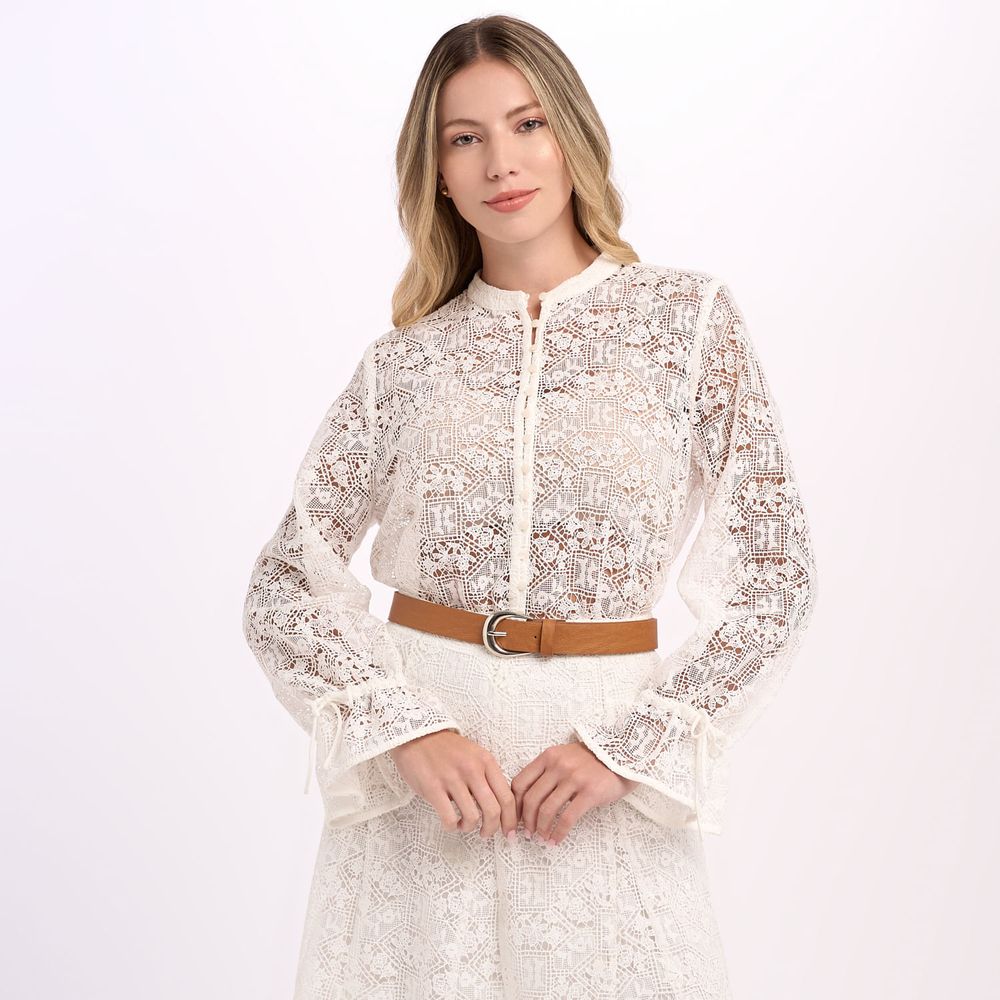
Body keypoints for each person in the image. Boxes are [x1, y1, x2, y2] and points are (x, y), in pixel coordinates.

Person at [242, 13, 818, 1000]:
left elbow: (775, 579)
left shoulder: (687, 323)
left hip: (598, 770)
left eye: (527, 124)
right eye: (464, 138)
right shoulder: (404, 363)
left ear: (572, 137)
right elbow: (284, 587)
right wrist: (403, 731)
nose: (500, 162)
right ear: (436, 173)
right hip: (429, 790)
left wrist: (633, 748)